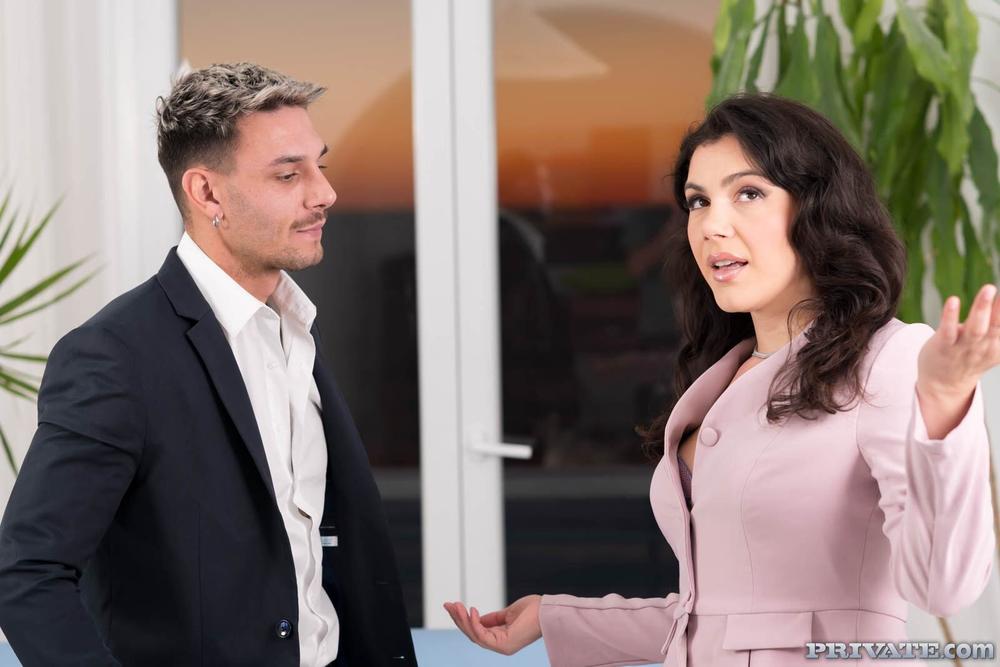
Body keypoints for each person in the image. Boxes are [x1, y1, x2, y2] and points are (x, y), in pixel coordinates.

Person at [443, 94, 997, 666]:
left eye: (748, 193)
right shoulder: (723, 376)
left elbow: (943, 586)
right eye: (698, 201)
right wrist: (551, 617)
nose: (712, 224)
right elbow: (717, 622)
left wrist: (944, 400)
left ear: (818, 208)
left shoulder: (889, 358)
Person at [0, 63, 416, 667]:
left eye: (319, 165)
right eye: (288, 174)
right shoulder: (115, 356)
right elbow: (27, 571)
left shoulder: (295, 328)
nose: (323, 193)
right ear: (207, 193)